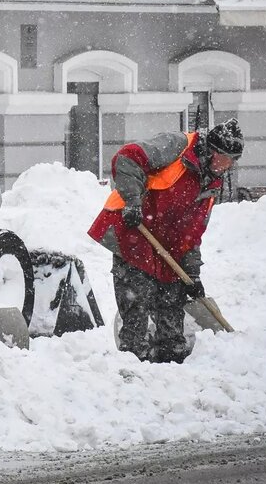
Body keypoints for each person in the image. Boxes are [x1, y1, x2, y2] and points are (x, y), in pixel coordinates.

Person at [87, 119, 244, 364]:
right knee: (137, 303)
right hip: (135, 233)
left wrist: (193, 275)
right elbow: (127, 158)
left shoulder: (212, 182)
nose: (227, 166)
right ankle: (132, 369)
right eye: (225, 158)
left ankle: (172, 365)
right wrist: (132, 202)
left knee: (172, 307)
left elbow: (193, 232)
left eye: (232, 161)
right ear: (213, 150)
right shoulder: (178, 146)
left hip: (168, 249)